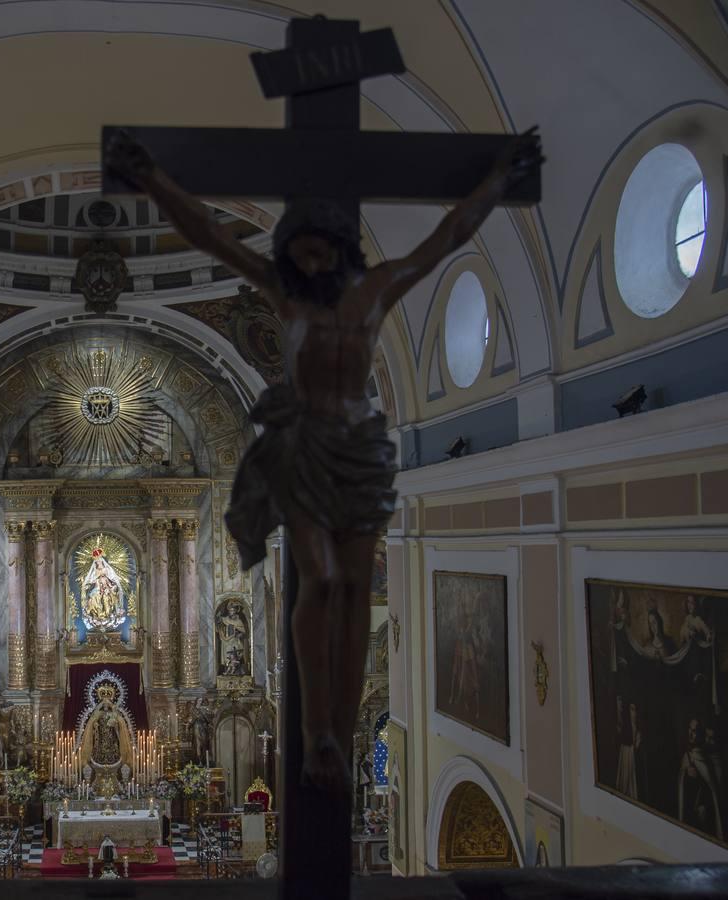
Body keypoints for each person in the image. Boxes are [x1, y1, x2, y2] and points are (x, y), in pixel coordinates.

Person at [106, 125, 542, 792]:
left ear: (338, 247)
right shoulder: (284, 295)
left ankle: (340, 726)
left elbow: (447, 237)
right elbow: (211, 237)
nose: (308, 266)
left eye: (317, 253)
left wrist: (497, 181)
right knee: (319, 580)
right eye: (298, 254)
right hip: (306, 445)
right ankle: (316, 736)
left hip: (362, 448)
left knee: (354, 589)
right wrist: (154, 180)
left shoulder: (376, 292)